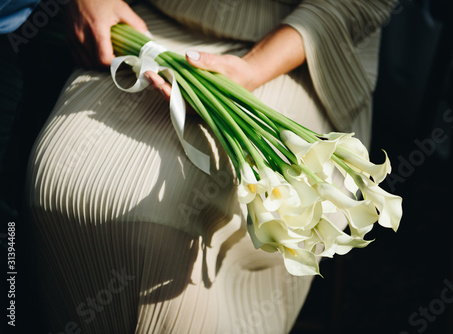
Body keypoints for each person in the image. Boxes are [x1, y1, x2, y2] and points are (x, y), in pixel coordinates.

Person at [26, 0, 396, 332]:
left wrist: (251, 69)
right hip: (150, 23)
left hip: (297, 49)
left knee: (163, 226)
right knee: (56, 185)